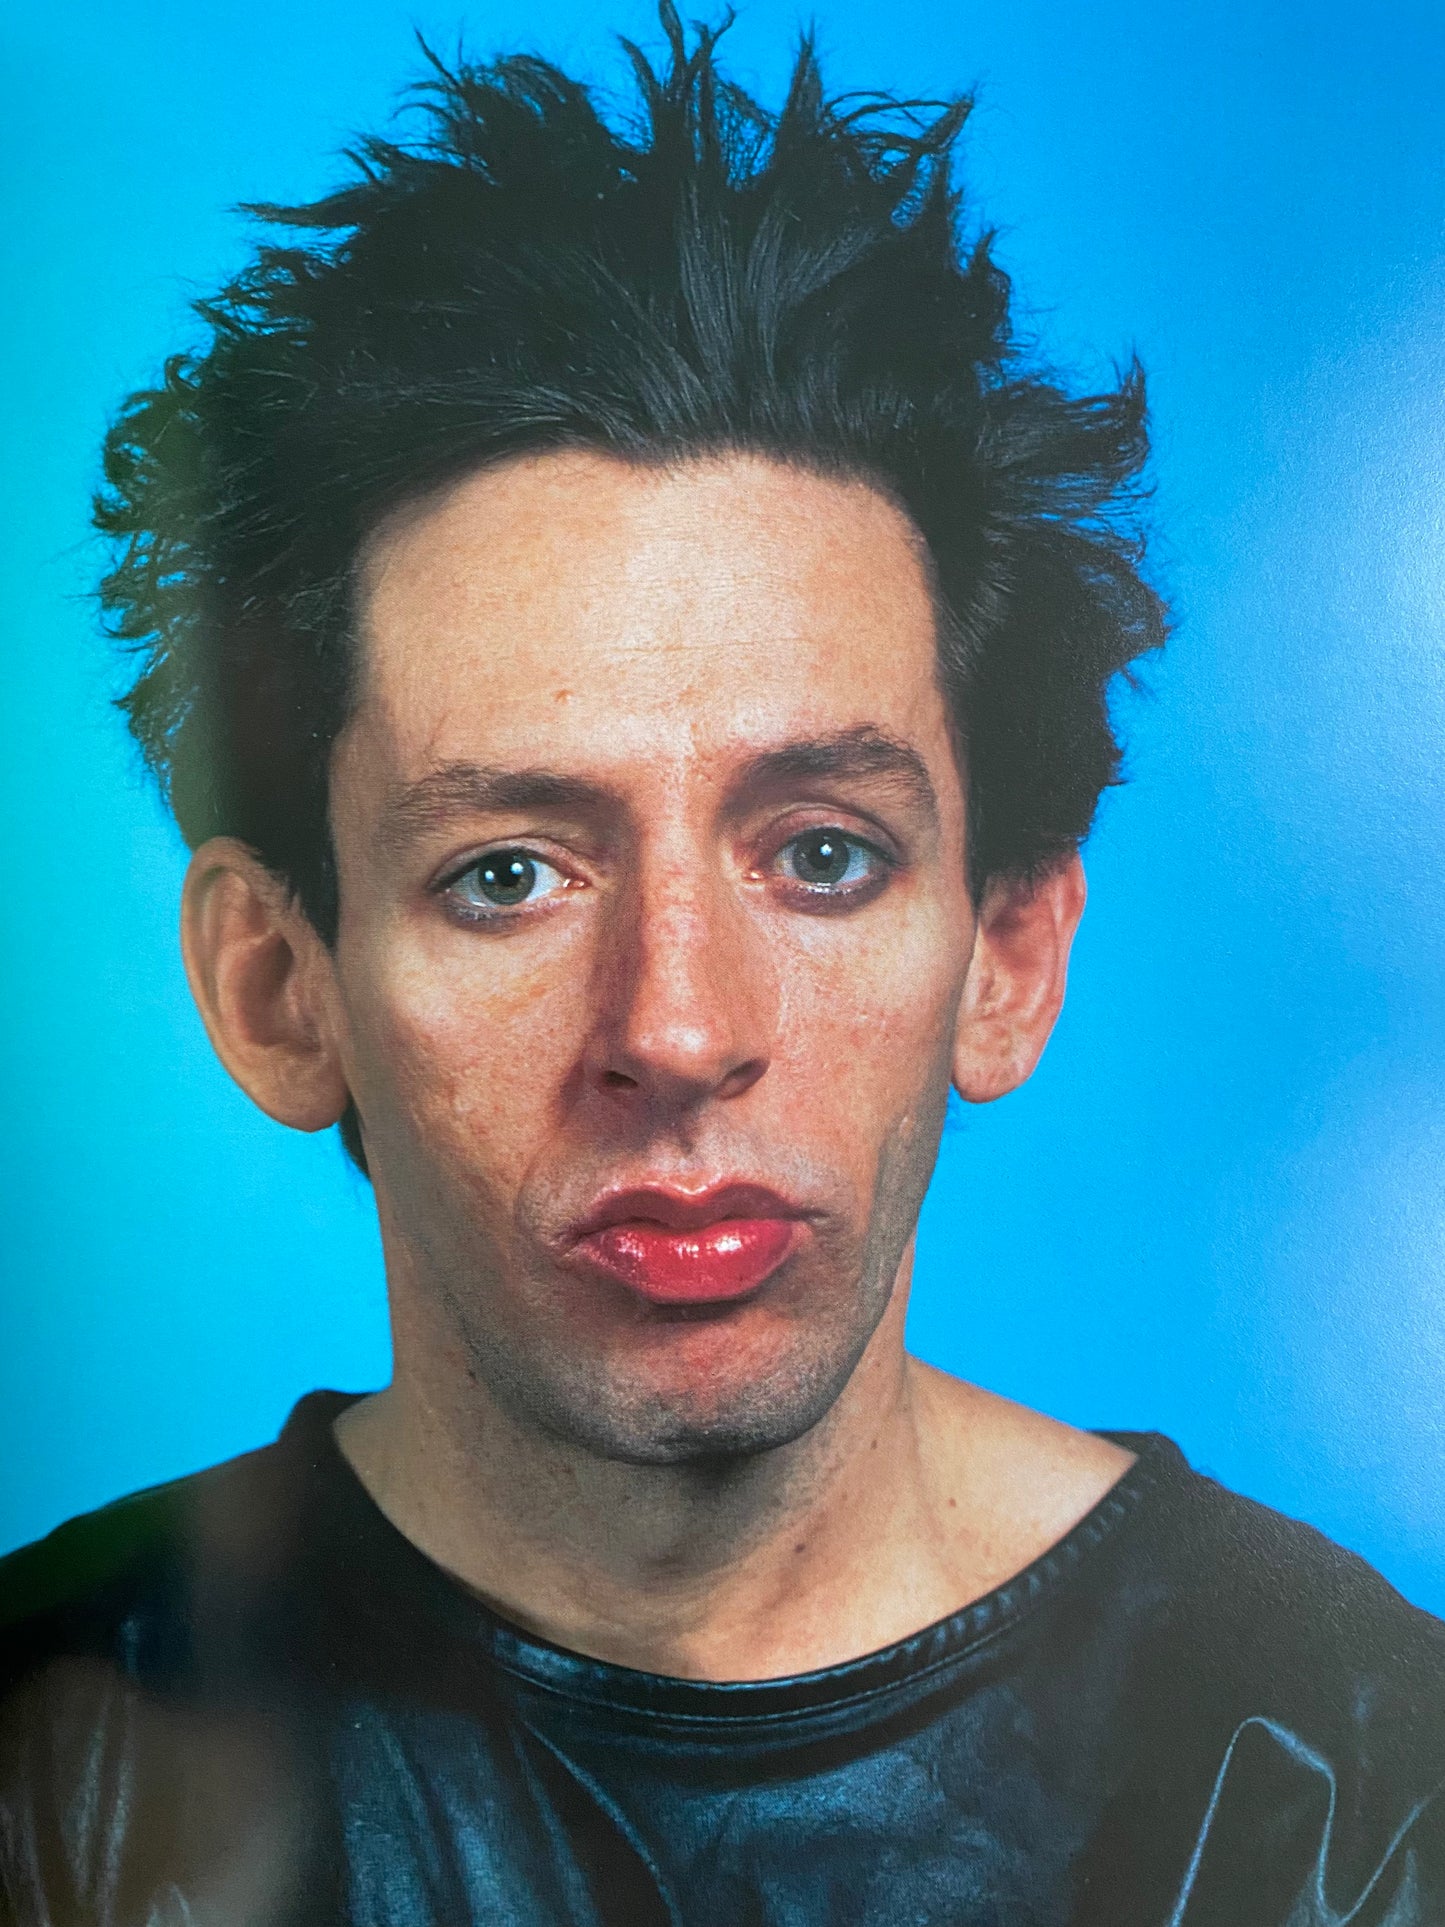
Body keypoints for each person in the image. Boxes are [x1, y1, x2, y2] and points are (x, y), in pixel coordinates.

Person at [2, 9, 1442, 1921]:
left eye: (822, 856)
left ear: (1009, 951)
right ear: (281, 987)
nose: (677, 1028)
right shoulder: (47, 1778)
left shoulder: (1356, 1781)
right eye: (507, 875)